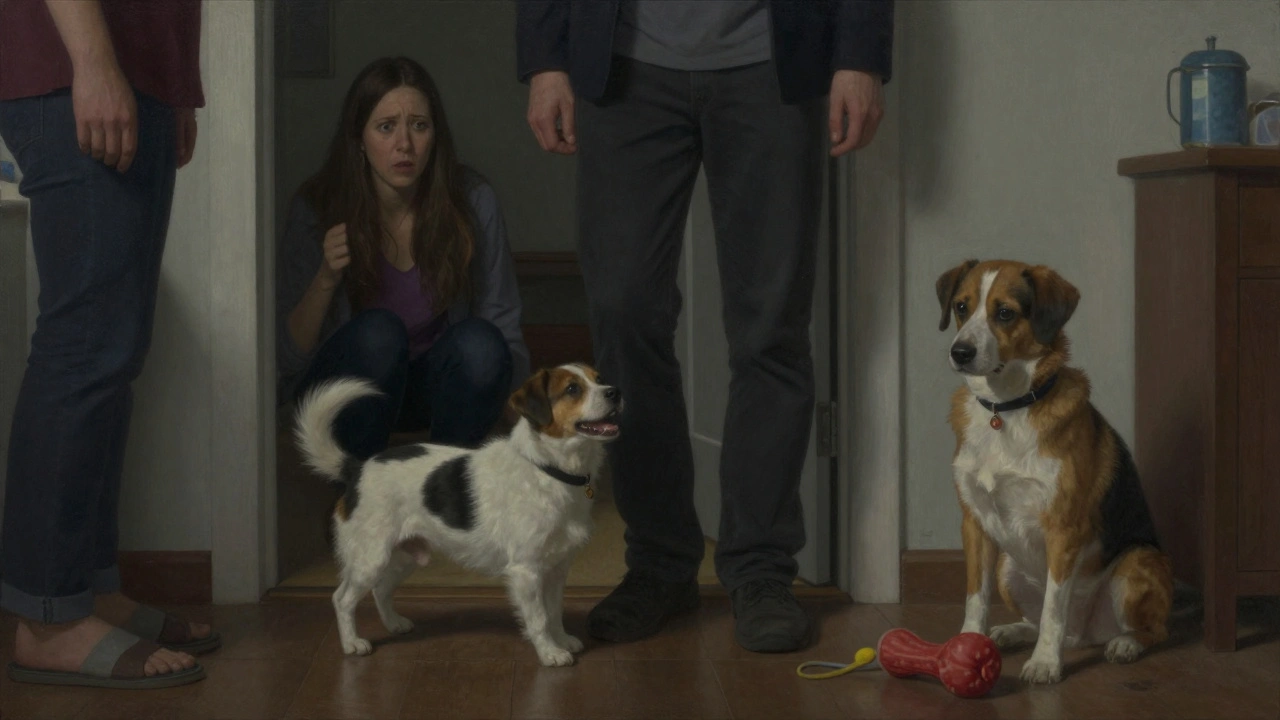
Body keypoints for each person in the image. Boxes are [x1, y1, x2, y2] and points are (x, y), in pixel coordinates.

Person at [516, 0, 893, 652]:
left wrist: (858, 53)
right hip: (624, 65)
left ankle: (761, 570)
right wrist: (547, 60)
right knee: (623, 311)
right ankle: (659, 566)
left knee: (771, 327)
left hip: (772, 64)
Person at [0, 0, 215, 689]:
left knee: (114, 348)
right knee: (86, 342)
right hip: (73, 63)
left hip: (134, 69)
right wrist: (93, 61)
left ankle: (88, 592)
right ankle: (47, 617)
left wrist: (175, 87)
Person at [277, 56, 530, 463]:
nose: (404, 145)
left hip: (433, 389)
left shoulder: (472, 201)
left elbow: (502, 323)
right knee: (379, 333)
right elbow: (288, 357)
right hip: (347, 392)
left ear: (436, 136)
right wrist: (326, 277)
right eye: (385, 127)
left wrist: (524, 428)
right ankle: (362, 489)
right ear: (359, 138)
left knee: (481, 344)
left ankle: (445, 484)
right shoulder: (317, 208)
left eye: (419, 125)